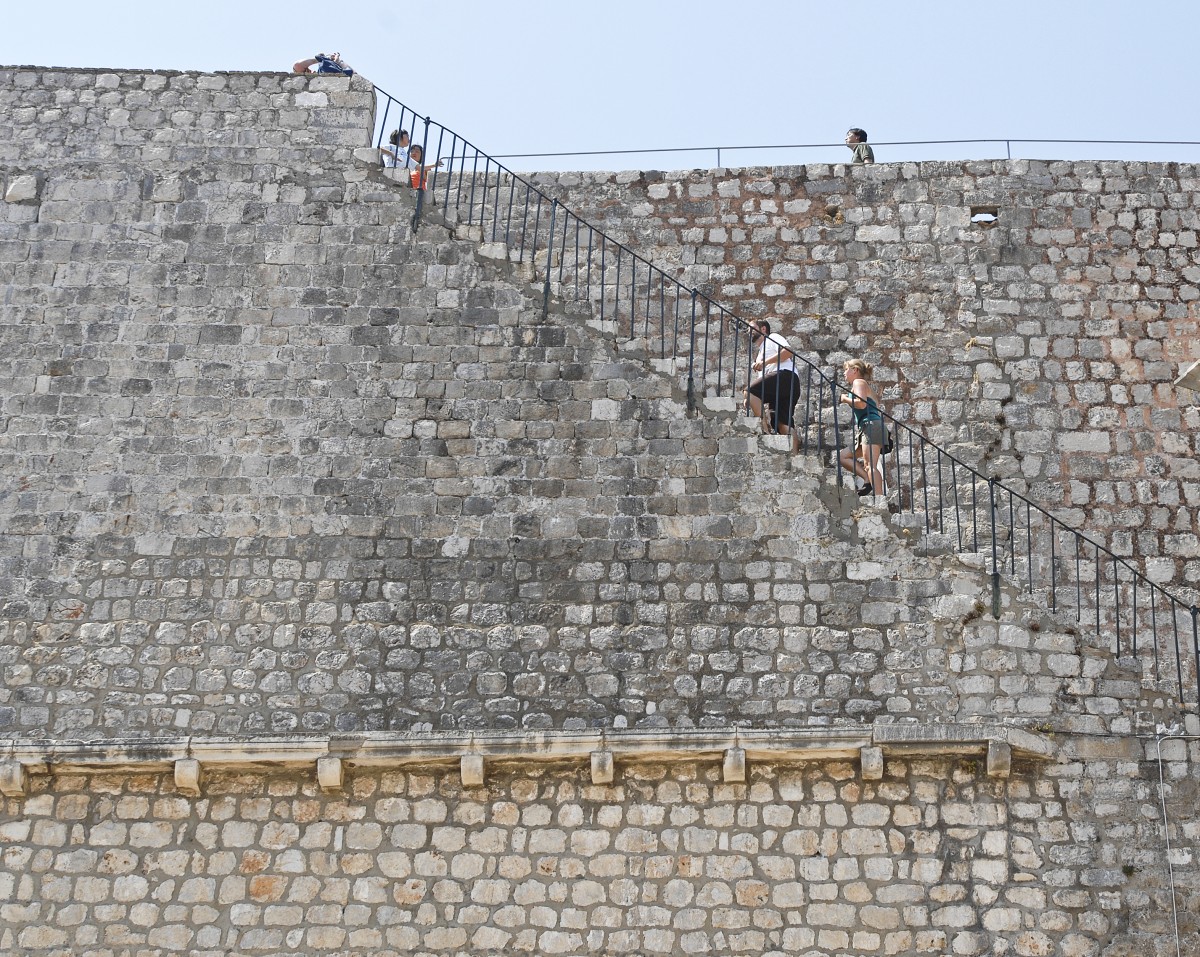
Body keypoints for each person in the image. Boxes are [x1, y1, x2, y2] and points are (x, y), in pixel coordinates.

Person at [743, 319, 801, 447]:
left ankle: (765, 433)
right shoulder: (760, 353)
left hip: (785, 376)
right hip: (786, 383)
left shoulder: (772, 338)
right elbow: (762, 383)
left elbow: (788, 351)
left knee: (749, 391)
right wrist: (750, 399)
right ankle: (795, 459)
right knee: (782, 423)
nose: (749, 331)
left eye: (752, 328)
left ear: (763, 329)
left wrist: (764, 363)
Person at [838, 358, 886, 496]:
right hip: (868, 426)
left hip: (870, 425)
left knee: (870, 464)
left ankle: (879, 497)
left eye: (846, 369)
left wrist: (844, 398)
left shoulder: (858, 382)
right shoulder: (864, 386)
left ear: (855, 370)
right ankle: (867, 479)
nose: (844, 374)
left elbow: (861, 404)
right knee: (843, 456)